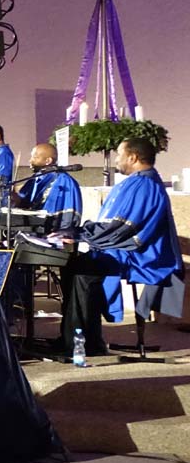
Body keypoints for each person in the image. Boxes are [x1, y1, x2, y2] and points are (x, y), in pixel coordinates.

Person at [60, 138, 183, 354]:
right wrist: (80, 234)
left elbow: (122, 228)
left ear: (133, 157)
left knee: (83, 271)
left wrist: (80, 235)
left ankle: (82, 345)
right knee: (73, 266)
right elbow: (114, 226)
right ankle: (78, 340)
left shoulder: (145, 185)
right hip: (123, 247)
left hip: (142, 254)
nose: (117, 159)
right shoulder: (137, 182)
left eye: (119, 154)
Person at [13, 143, 83, 233]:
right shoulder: (35, 178)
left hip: (52, 234)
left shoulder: (65, 181)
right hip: (31, 230)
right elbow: (23, 202)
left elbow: (68, 216)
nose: (30, 161)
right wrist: (13, 196)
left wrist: (61, 233)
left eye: (35, 157)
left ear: (48, 160)